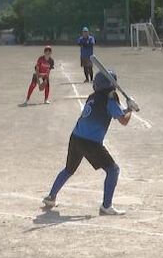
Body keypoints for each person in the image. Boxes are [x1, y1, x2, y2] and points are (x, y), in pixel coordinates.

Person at [42, 70, 138, 216]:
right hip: (91, 142)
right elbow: (123, 120)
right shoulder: (110, 98)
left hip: (76, 137)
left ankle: (51, 197)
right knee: (113, 170)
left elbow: (115, 112)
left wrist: (126, 108)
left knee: (69, 169)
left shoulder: (93, 97)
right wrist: (130, 108)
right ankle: (106, 206)